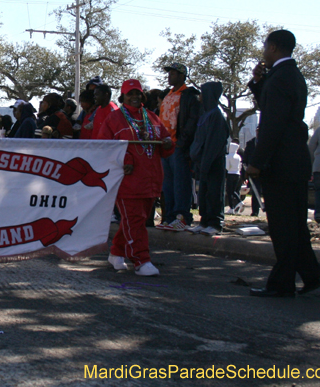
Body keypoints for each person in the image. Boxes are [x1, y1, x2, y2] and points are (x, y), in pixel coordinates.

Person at [246, 29, 320, 298]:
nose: (263, 51)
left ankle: (282, 284)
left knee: (283, 227)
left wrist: (257, 161)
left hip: (282, 163)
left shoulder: (281, 77)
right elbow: (270, 108)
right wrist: (258, 83)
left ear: (274, 48)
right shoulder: (287, 75)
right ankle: (312, 274)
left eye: (265, 46)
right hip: (293, 161)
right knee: (293, 226)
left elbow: (273, 124)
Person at [98, 79, 174, 275]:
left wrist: (167, 143)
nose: (134, 97)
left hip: (151, 179)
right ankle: (141, 260)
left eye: (138, 93)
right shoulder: (114, 119)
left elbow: (165, 142)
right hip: (127, 181)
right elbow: (104, 149)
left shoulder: (152, 117)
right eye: (130, 94)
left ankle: (116, 253)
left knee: (135, 221)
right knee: (134, 220)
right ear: (122, 96)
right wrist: (125, 157)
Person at [156, 62, 201, 231]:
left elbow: (192, 120)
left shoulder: (189, 95)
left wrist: (182, 142)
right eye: (169, 73)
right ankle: (169, 217)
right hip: (165, 147)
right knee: (168, 185)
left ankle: (182, 217)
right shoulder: (168, 94)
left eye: (173, 74)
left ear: (182, 76)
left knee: (181, 183)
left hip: (178, 146)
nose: (169, 76)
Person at [189, 82, 229, 235]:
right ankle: (204, 221)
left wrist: (205, 162)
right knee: (204, 193)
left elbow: (214, 143)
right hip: (202, 162)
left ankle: (215, 223)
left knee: (214, 192)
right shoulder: (205, 114)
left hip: (213, 162)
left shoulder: (216, 116)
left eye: (202, 93)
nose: (200, 96)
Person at [224, 139, 243, 215]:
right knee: (234, 190)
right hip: (237, 174)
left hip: (230, 174)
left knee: (229, 191)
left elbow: (227, 167)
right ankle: (238, 202)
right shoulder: (238, 157)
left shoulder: (228, 156)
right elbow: (240, 166)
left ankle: (232, 207)